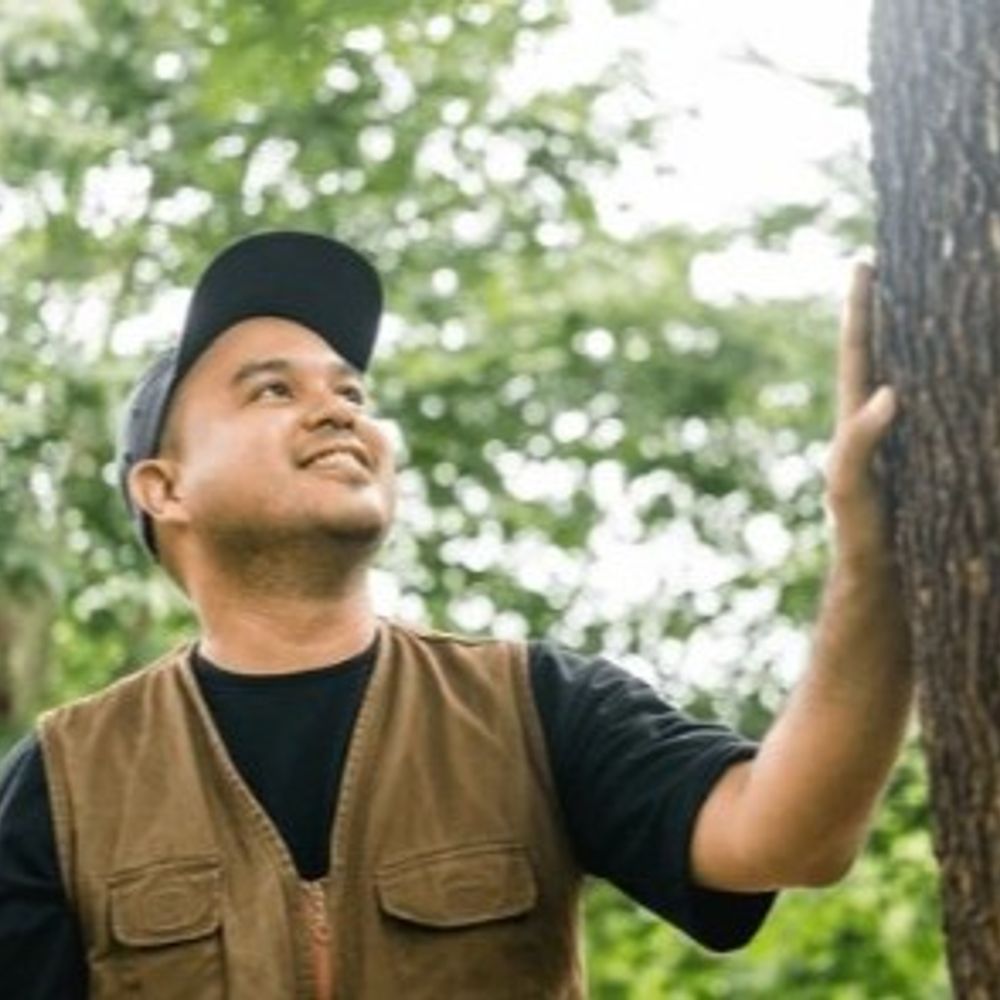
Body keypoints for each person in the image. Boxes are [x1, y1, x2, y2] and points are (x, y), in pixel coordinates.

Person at [0, 231, 912, 998]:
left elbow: (790, 835)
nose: (337, 411)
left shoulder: (535, 705)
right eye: (273, 389)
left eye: (350, 393)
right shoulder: (63, 786)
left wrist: (873, 563)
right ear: (163, 488)